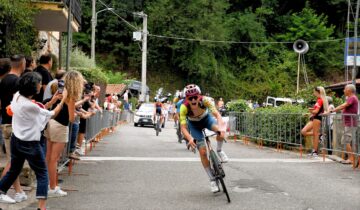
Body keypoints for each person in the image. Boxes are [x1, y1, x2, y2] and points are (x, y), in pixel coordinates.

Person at [0, 72, 66, 209]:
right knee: (42, 174)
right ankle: (41, 207)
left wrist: (52, 101)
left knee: (14, 169)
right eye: (38, 83)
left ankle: (1, 191)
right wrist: (63, 100)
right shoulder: (31, 106)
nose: (39, 86)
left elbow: (40, 110)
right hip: (30, 143)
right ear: (33, 88)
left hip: (16, 140)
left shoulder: (17, 96)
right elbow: (51, 114)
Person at [180, 84, 228, 193]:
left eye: (195, 97)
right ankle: (212, 179)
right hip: (194, 125)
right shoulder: (183, 107)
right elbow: (183, 127)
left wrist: (221, 128)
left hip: (207, 120)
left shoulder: (205, 100)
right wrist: (190, 138)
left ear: (199, 96)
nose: (193, 100)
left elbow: (217, 115)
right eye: (190, 98)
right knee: (202, 151)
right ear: (186, 98)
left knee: (220, 132)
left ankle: (219, 151)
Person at [45, 70, 84, 197]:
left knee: (49, 157)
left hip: (51, 123)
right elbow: (72, 118)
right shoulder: (71, 96)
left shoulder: (61, 90)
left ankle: (47, 184)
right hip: (61, 127)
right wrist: (76, 112)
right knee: (54, 159)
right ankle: (52, 187)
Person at [0, 55, 27, 203]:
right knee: (13, 161)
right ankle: (1, 190)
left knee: (14, 160)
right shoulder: (17, 82)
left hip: (6, 122)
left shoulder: (3, 80)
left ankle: (18, 191)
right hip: (14, 124)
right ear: (22, 64)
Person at [327, 84, 358, 166]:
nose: (343, 91)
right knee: (347, 141)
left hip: (350, 123)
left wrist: (332, 110)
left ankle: (351, 159)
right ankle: (352, 158)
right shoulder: (350, 98)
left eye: (345, 89)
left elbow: (343, 105)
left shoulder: (352, 98)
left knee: (345, 141)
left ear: (349, 90)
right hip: (349, 123)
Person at [301, 86, 328, 157]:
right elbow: (317, 110)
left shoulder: (320, 100)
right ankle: (320, 135)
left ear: (317, 92)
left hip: (317, 118)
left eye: (314, 91)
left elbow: (316, 111)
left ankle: (315, 152)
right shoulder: (319, 99)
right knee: (304, 131)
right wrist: (309, 113)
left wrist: (310, 110)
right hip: (314, 118)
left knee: (315, 135)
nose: (313, 93)